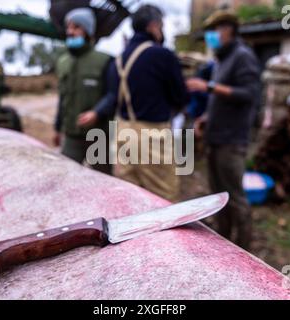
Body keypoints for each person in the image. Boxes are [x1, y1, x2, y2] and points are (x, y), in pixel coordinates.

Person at [78, 5, 189, 202]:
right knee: (163, 197)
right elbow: (180, 98)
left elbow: (113, 97)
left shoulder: (117, 61)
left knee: (131, 196)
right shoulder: (162, 56)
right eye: (161, 25)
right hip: (153, 136)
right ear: (153, 26)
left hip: (122, 132)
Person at [186, 9, 261, 250]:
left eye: (214, 31)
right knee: (219, 195)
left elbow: (249, 94)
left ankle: (244, 247)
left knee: (235, 196)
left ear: (228, 29)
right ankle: (225, 241)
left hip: (232, 139)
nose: (211, 36)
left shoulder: (243, 56)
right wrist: (206, 117)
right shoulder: (222, 59)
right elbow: (222, 97)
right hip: (216, 136)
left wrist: (208, 86)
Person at [54, 8, 113, 175]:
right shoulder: (63, 62)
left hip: (97, 136)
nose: (70, 32)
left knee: (104, 181)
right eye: (69, 27)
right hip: (71, 136)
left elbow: (112, 95)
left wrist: (97, 112)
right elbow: (62, 98)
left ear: (88, 31)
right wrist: (57, 128)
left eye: (76, 27)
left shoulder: (104, 61)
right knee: (65, 176)